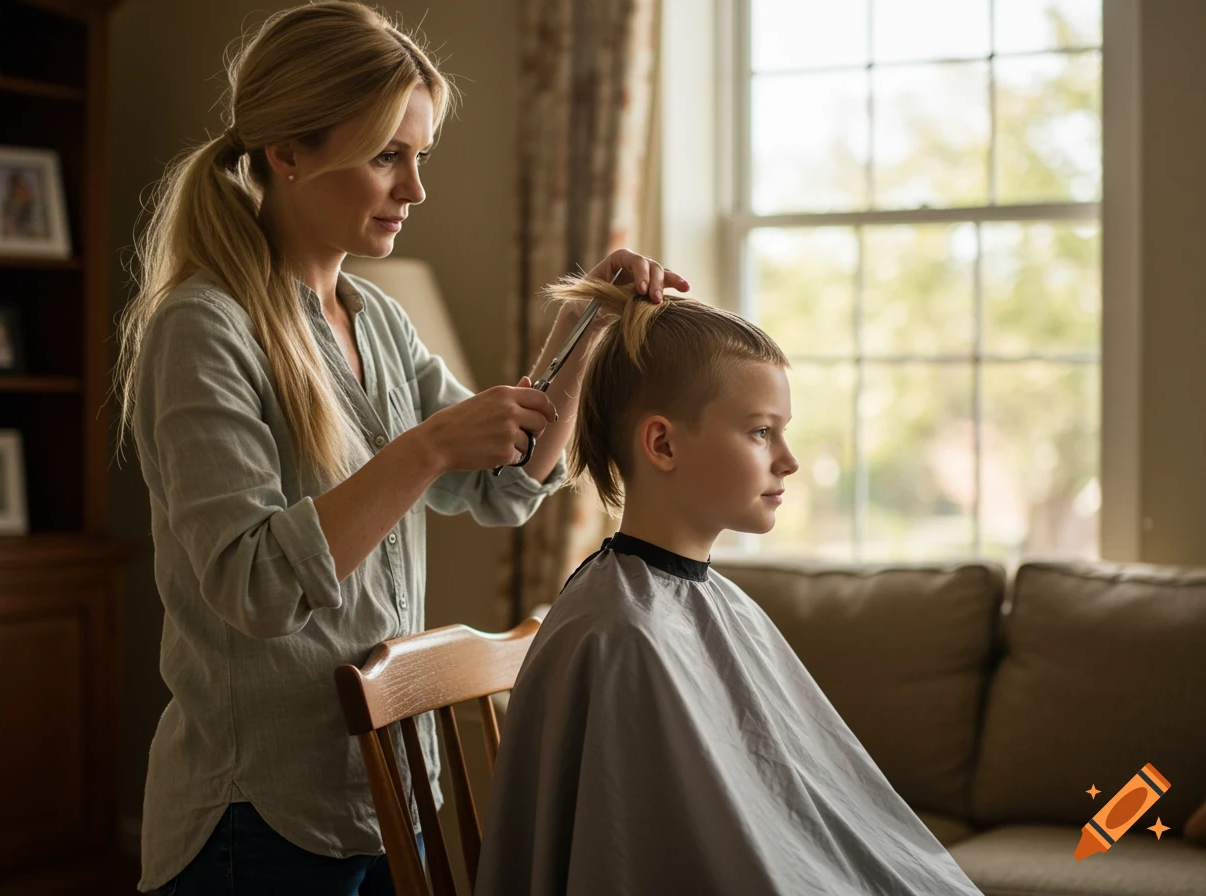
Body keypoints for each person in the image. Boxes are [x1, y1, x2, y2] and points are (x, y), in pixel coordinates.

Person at [108, 3, 687, 894]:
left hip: (381, 802)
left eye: (420, 157)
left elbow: (501, 486)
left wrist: (581, 331)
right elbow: (254, 588)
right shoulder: (202, 328)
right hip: (255, 818)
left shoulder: (376, 321)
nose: (415, 190)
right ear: (287, 153)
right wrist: (421, 452)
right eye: (387, 155)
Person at [475, 276, 984, 895]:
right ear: (662, 443)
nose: (789, 460)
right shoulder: (622, 634)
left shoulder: (707, 602)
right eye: (761, 432)